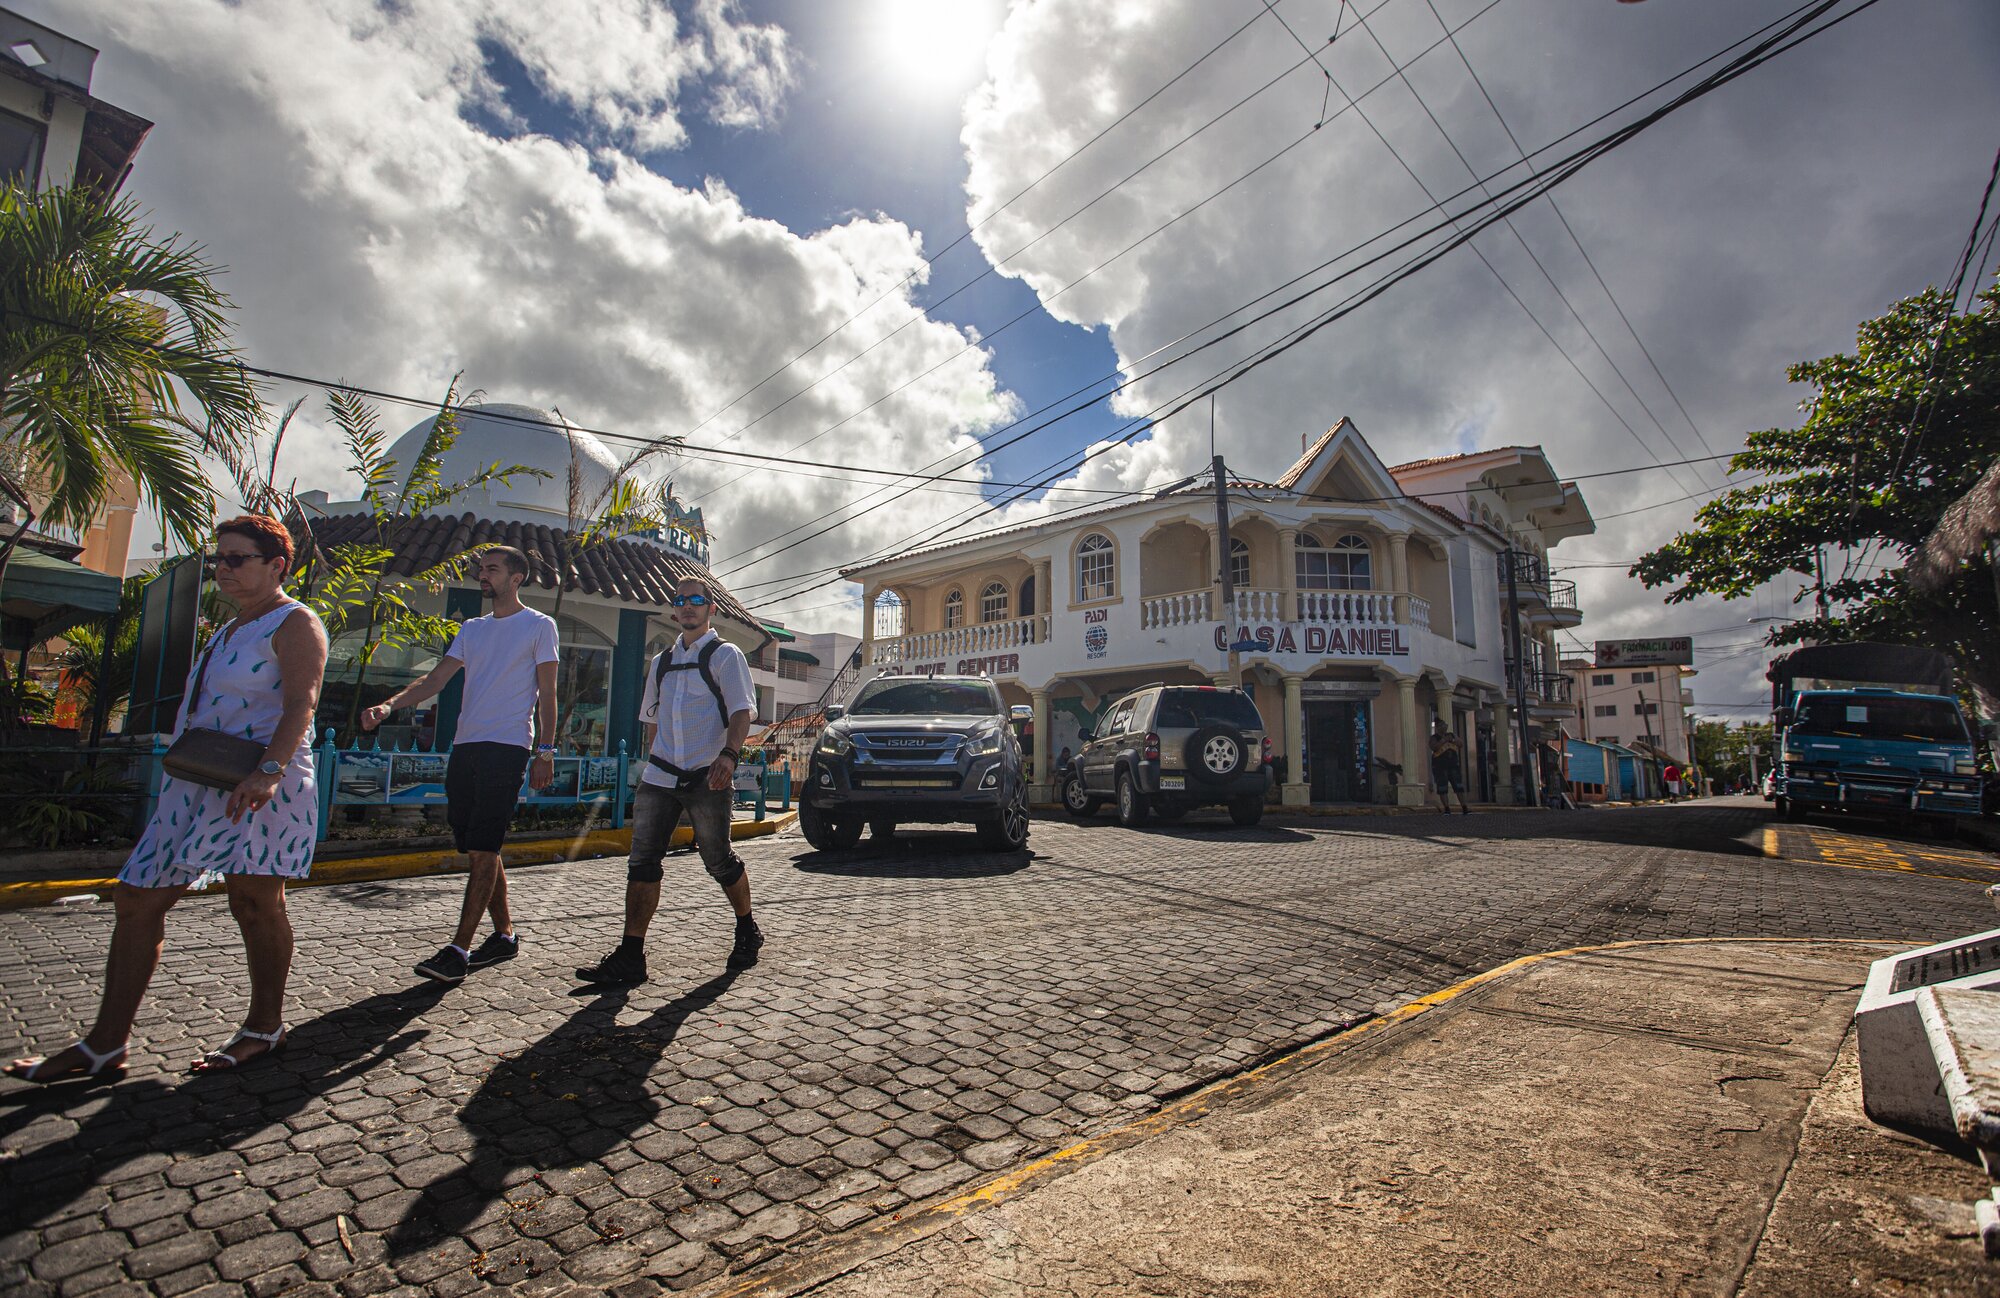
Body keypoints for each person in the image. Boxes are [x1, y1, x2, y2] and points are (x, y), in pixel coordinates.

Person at [8, 515, 329, 1082]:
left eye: (237, 559)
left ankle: (264, 1026)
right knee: (136, 897)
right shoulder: (227, 630)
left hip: (257, 785)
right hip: (194, 783)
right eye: (218, 559)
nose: (223, 569)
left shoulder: (296, 622)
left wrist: (269, 772)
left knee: (255, 902)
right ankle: (106, 1045)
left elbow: (301, 705)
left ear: (277, 565)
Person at [361, 547, 557, 985]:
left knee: (484, 848)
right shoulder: (472, 628)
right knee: (478, 846)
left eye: (493, 569)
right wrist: (389, 705)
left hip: (507, 748)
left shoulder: (540, 626)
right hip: (466, 745)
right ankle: (504, 935)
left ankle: (458, 950)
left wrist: (545, 751)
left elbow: (548, 691)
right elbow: (435, 679)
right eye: (481, 569)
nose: (482, 575)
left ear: (517, 577)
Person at [577, 576, 759, 986]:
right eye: (680, 601)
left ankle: (746, 927)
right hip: (661, 776)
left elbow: (741, 712)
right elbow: (652, 722)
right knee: (642, 862)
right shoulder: (660, 663)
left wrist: (729, 757)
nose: (688, 606)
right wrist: (650, 766)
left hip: (707, 776)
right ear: (674, 610)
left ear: (711, 608)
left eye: (697, 599)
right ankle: (630, 955)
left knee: (718, 860)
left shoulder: (726, 656)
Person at [1429, 721, 1472, 815]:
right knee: (1442, 788)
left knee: (1459, 787)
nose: (1444, 727)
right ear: (1437, 727)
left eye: (1445, 725)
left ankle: (1464, 808)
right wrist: (1443, 740)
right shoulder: (1434, 738)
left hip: (1453, 765)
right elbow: (1434, 747)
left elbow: (1460, 744)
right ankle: (1447, 808)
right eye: (1441, 725)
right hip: (1440, 766)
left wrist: (1452, 740)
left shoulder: (1451, 735)